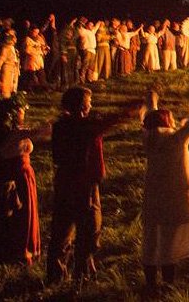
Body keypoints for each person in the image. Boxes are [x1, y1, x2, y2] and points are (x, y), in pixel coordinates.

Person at [46, 86, 143, 284]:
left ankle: (55, 275)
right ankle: (82, 275)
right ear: (82, 105)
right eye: (89, 101)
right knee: (89, 229)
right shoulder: (84, 126)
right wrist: (132, 108)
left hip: (64, 181)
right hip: (84, 185)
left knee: (61, 228)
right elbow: (111, 121)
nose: (92, 105)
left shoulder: (61, 125)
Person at [140, 86, 189, 297]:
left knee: (151, 240)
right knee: (169, 244)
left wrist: (151, 99)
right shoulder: (176, 140)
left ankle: (150, 283)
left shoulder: (148, 139)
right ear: (168, 123)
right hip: (174, 198)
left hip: (153, 197)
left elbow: (150, 116)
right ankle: (167, 284)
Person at [0, 93, 50, 265]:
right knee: (24, 213)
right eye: (21, 110)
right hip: (21, 176)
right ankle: (22, 250)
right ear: (12, 114)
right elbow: (43, 132)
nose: (24, 113)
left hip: (18, 174)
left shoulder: (9, 133)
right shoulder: (15, 134)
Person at [0, 33, 20, 98]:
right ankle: (5, 98)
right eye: (14, 39)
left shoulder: (13, 48)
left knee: (11, 84)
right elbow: (2, 58)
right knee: (6, 85)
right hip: (7, 68)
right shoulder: (6, 48)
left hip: (13, 68)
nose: (15, 40)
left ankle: (9, 98)